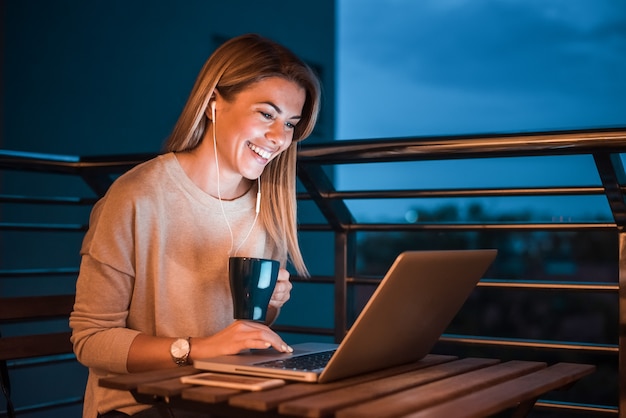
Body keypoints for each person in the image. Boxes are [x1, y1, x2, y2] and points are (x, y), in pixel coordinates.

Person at [70, 33, 321, 418]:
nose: (278, 138)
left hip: (227, 401)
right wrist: (196, 349)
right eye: (266, 114)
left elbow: (239, 331)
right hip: (142, 408)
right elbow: (91, 340)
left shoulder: (267, 207)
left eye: (290, 123)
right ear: (213, 104)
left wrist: (268, 309)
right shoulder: (137, 197)